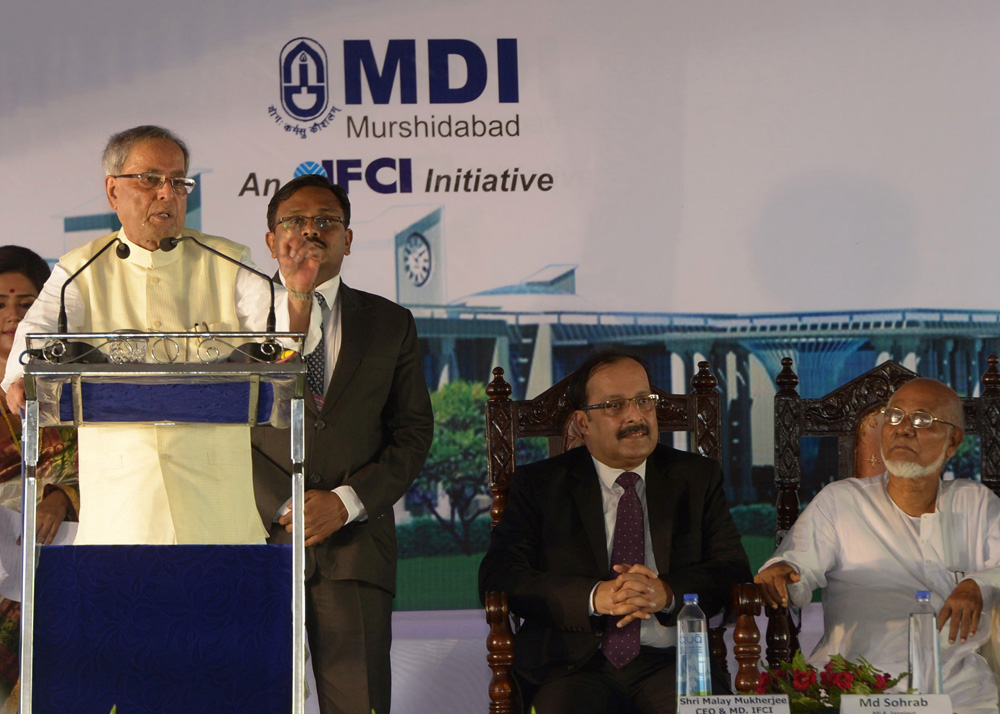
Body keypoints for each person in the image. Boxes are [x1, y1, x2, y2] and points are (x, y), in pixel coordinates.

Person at [1, 125, 321, 545]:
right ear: (113, 191)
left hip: (216, 497)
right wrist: (19, 380)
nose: (167, 194)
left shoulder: (226, 260)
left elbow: (287, 343)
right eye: (150, 180)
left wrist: (297, 295)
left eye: (178, 182)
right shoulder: (79, 269)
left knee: (217, 606)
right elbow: (32, 344)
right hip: (123, 501)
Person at [478, 349, 751, 714]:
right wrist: (594, 597)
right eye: (615, 406)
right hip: (570, 668)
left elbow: (733, 571)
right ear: (582, 422)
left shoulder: (696, 478)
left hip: (673, 662)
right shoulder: (541, 485)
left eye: (643, 401)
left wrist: (667, 592)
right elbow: (499, 576)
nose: (636, 416)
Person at [250, 174, 434, 714]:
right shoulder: (236, 321)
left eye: (326, 221)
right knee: (255, 698)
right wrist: (287, 507)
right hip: (259, 542)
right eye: (294, 221)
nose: (311, 231)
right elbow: (221, 431)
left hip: (356, 550)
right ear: (270, 240)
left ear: (348, 238)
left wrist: (345, 502)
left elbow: (412, 432)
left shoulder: (390, 323)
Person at [755, 378, 1000, 714]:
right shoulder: (842, 500)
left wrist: (978, 584)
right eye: (895, 416)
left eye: (922, 420)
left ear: (953, 440)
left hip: (953, 683)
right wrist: (783, 571)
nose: (903, 429)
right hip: (856, 680)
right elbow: (797, 563)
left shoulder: (974, 502)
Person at [0, 246, 78, 711]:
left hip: (58, 566)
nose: (11, 315)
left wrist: (63, 496)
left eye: (25, 304)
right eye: (0, 303)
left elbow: (108, 463)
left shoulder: (65, 387)